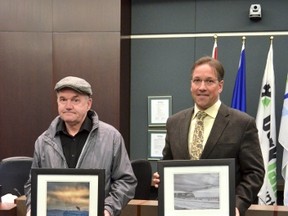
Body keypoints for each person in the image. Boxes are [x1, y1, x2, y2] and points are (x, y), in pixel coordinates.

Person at [152, 56, 265, 216]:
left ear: (220, 86)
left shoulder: (242, 123)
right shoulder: (174, 122)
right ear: (191, 84)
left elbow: (255, 173)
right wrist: (160, 177)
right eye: (197, 80)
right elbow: (168, 162)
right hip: (180, 211)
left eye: (209, 81)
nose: (202, 87)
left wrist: (237, 205)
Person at [24, 76, 137, 216]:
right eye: (63, 99)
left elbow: (126, 181)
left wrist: (107, 210)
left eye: (75, 100)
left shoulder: (111, 137)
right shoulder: (43, 141)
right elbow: (32, 184)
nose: (68, 106)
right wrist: (32, 208)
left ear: (89, 104)